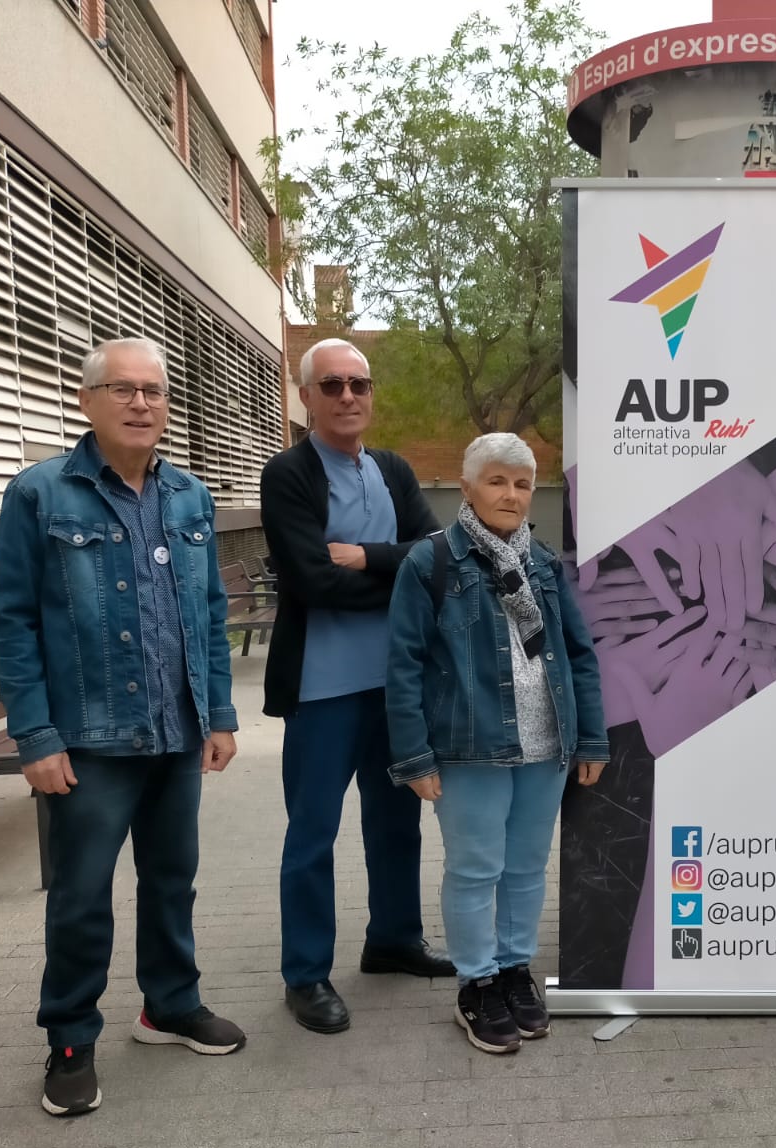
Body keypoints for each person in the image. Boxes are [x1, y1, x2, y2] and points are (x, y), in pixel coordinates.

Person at [0, 338, 245, 1118]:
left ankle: (169, 1004)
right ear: (86, 400)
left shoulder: (190, 496)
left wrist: (221, 714)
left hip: (177, 731)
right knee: (81, 896)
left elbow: (207, 614)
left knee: (173, 882)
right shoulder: (40, 494)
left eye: (155, 392)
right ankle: (69, 1038)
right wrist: (35, 735)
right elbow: (11, 623)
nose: (142, 404)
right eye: (124, 390)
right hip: (89, 740)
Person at [385, 433, 609, 1053]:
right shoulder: (430, 563)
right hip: (468, 747)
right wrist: (414, 755)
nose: (510, 494)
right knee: (475, 868)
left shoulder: (543, 562)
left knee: (525, 867)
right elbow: (403, 665)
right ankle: (476, 982)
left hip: (546, 745)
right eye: (497, 481)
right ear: (467, 487)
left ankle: (514, 969)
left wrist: (591, 738)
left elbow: (579, 657)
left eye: (521, 484)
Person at [260, 338, 452, 1038]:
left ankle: (394, 939)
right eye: (332, 385)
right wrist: (395, 581)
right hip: (321, 690)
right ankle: (306, 974)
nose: (347, 396)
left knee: (398, 820)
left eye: (359, 384)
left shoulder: (394, 469)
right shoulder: (287, 474)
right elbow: (311, 581)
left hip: (397, 686)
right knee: (313, 832)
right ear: (306, 396)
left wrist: (367, 558)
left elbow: (437, 556)